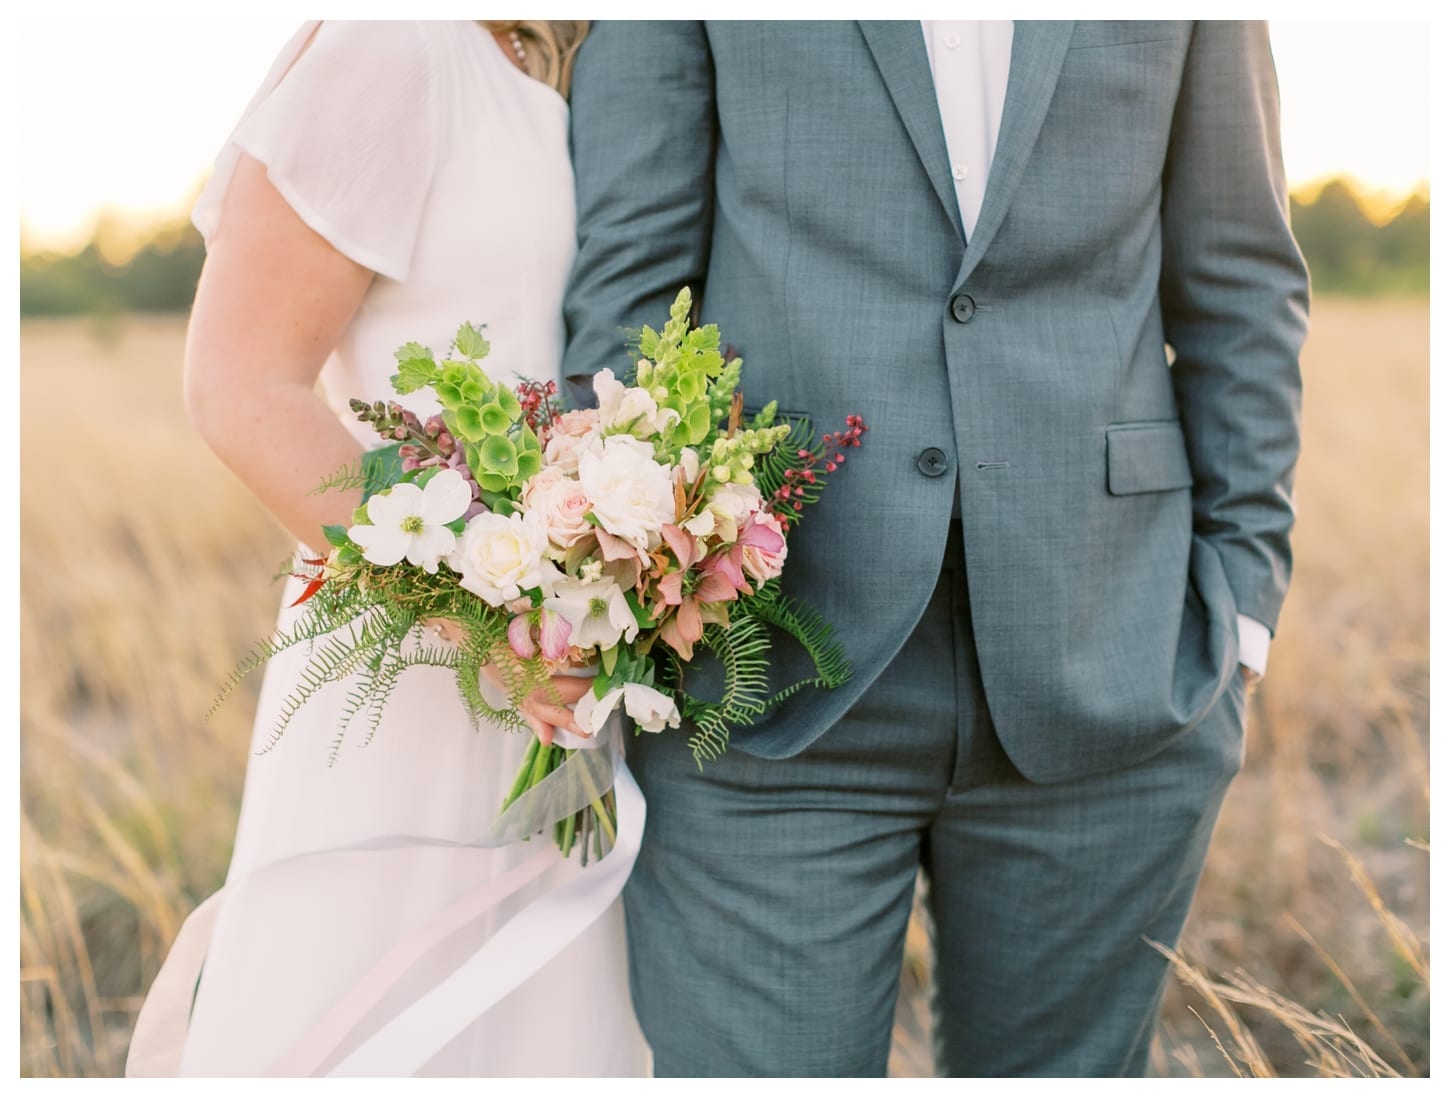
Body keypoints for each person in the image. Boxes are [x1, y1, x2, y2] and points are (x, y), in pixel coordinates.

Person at [563, 20, 1308, 1077]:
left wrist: (1240, 607)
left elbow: (1240, 281)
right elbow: (627, 293)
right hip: (760, 677)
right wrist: (621, 591)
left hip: (1114, 662)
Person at [125, 20, 649, 1077]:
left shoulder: (574, 68)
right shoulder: (392, 43)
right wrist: (480, 620)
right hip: (417, 663)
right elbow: (240, 385)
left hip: (569, 659)